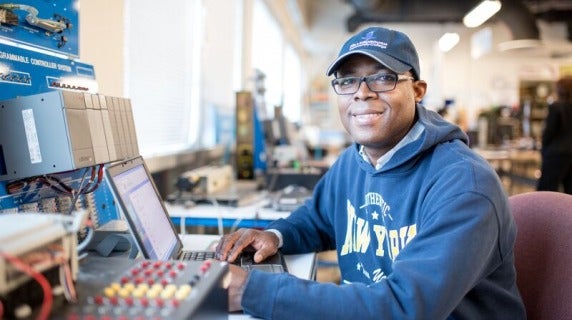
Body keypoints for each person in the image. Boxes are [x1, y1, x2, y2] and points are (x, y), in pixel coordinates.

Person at [216, 26, 525, 319]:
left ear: (417, 91)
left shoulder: (464, 186)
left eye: (382, 78)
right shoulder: (355, 161)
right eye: (347, 81)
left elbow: (405, 308)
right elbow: (318, 218)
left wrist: (249, 289)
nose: (361, 93)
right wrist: (274, 235)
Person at [536, 76, 572, 194]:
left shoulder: (556, 107)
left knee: (546, 192)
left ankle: (543, 214)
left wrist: (543, 149)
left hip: (556, 154)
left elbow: (549, 132)